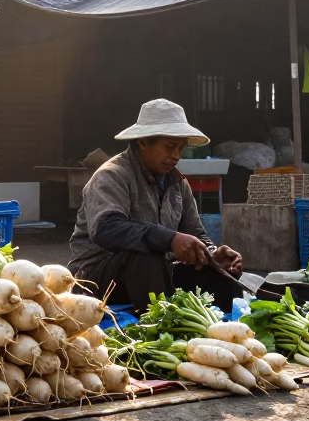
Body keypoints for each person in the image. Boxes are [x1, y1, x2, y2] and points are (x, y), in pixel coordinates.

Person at [67, 99, 244, 313]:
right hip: (95, 280)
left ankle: (227, 330)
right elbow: (106, 229)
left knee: (220, 275)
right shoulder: (112, 175)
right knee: (145, 254)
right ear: (143, 142)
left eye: (180, 148)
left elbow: (195, 233)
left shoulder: (178, 183)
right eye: (169, 147)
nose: (176, 156)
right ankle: (159, 327)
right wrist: (169, 239)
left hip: (156, 272)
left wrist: (211, 255)